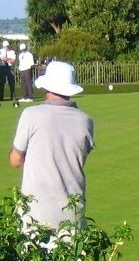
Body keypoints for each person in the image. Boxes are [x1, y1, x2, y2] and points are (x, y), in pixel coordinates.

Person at [9, 61, 95, 234]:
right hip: (73, 214)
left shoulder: (31, 115)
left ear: (47, 87)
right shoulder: (86, 121)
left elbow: (15, 160)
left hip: (34, 214)